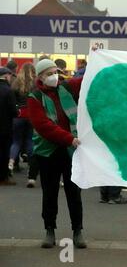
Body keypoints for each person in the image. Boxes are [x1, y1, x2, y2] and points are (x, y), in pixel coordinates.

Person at [27, 58, 86, 249]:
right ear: (41, 77)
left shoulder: (66, 88)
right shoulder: (34, 97)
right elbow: (43, 126)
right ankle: (49, 230)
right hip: (48, 151)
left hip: (70, 151)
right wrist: (69, 138)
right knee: (50, 193)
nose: (54, 76)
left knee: (74, 193)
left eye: (56, 72)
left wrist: (96, 57)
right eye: (49, 73)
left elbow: (89, 78)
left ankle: (78, 231)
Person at [8, 63, 38, 188]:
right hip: (31, 115)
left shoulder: (15, 84)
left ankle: (10, 163)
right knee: (30, 140)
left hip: (18, 116)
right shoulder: (35, 84)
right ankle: (32, 167)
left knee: (16, 141)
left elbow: (12, 101)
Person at [0, 67, 18, 186]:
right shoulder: (8, 90)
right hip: (4, 127)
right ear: (6, 76)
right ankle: (3, 177)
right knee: (4, 152)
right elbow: (13, 111)